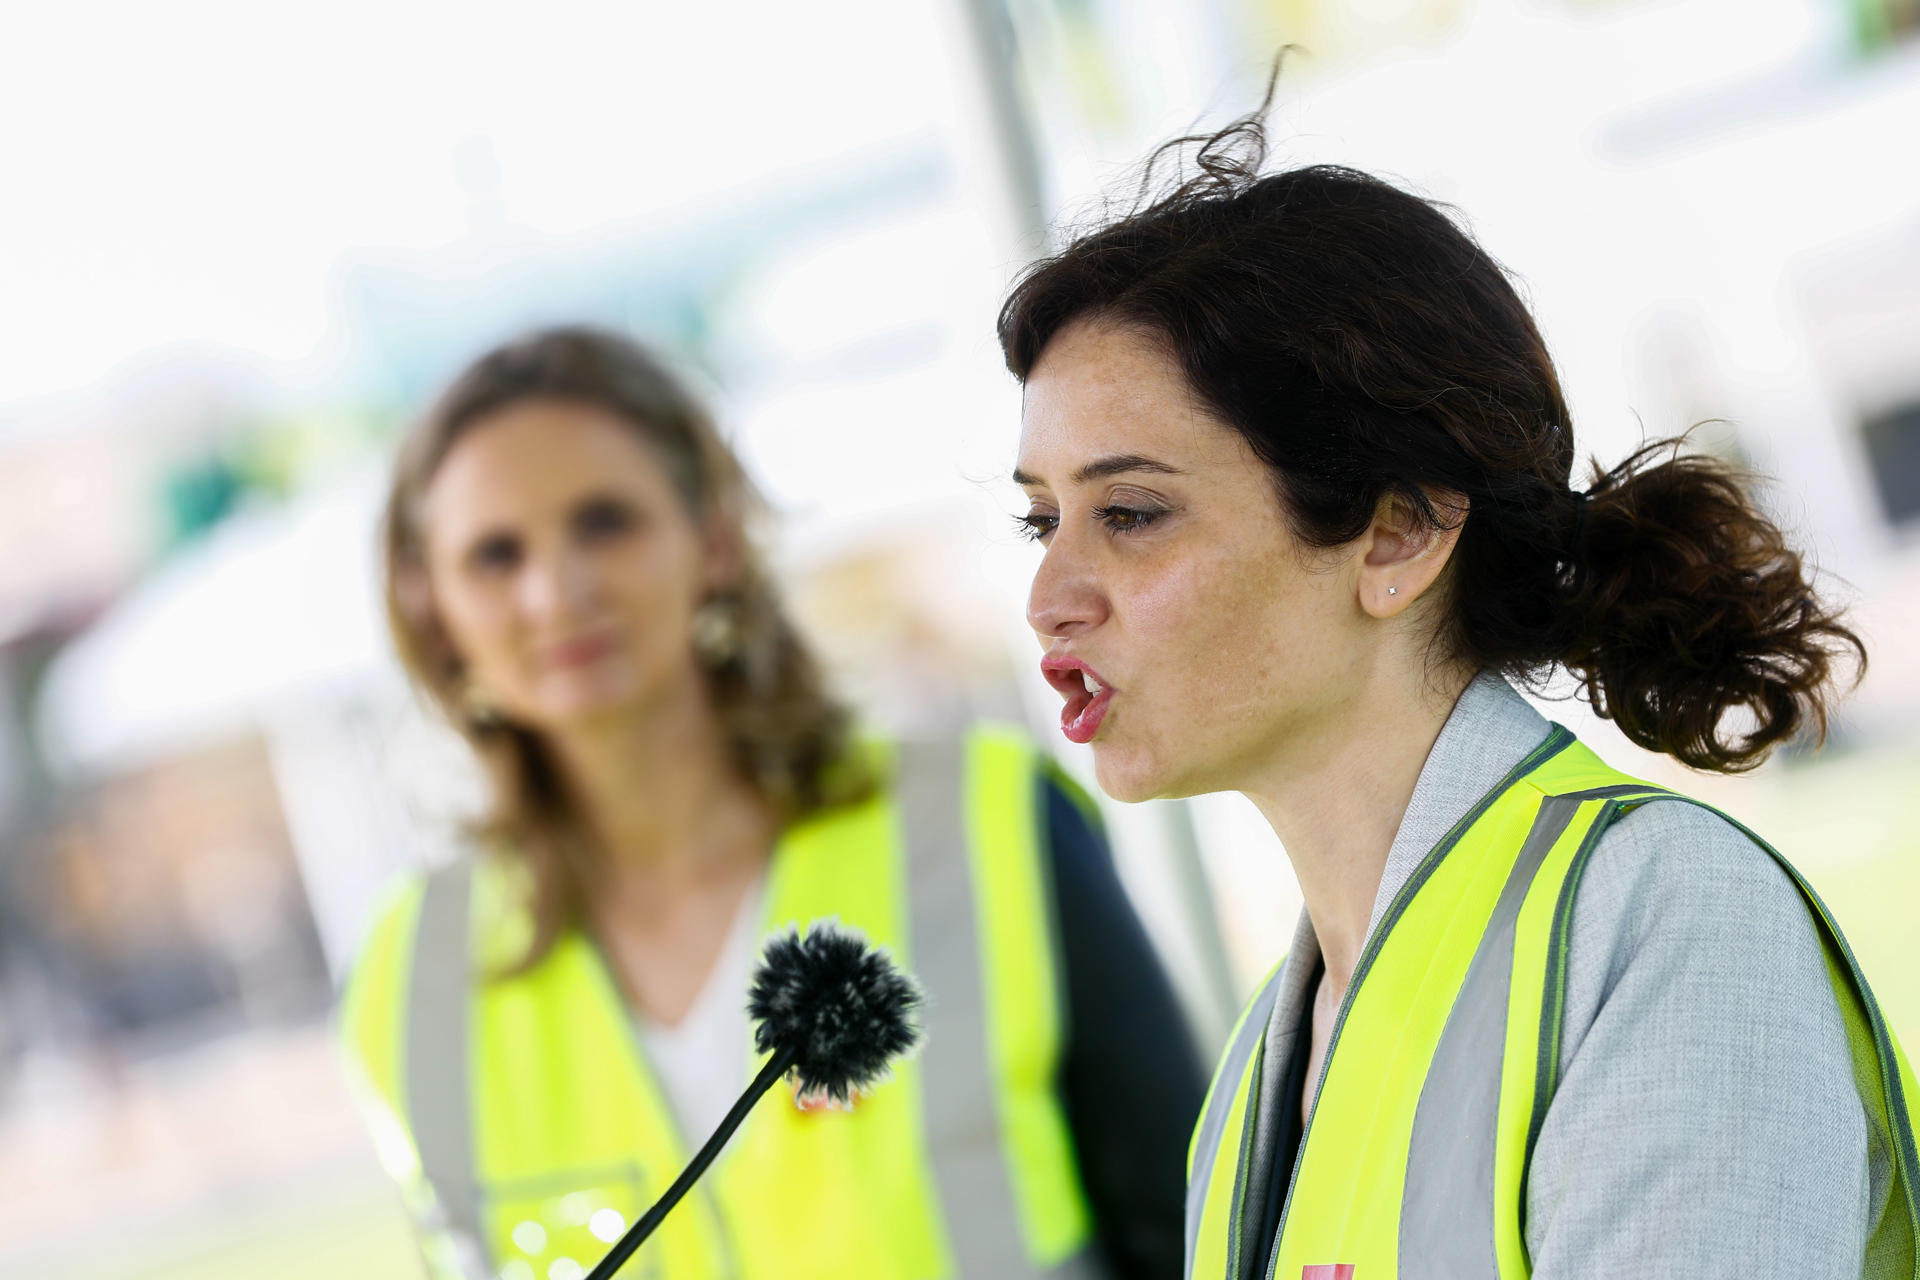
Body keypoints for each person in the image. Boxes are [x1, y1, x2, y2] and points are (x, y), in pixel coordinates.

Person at [998, 99, 1919, 1279]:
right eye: (1042, 521)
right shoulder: (1246, 1095)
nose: (1052, 594)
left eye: (1130, 513)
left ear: (1400, 533)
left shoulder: (1662, 916)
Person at [337, 326, 1205, 1280]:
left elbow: (1191, 1231)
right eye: (495, 555)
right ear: (434, 609)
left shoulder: (978, 822)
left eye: (604, 522)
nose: (556, 590)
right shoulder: (404, 982)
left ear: (711, 540)